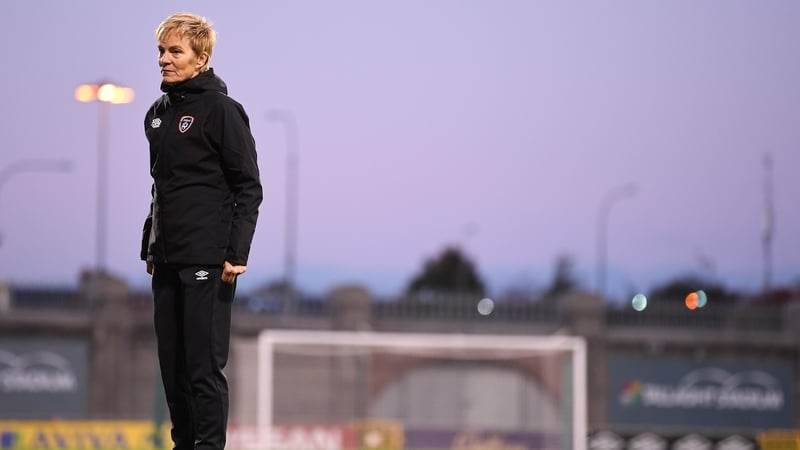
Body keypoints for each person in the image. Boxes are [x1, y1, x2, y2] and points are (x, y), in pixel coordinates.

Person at [140, 12, 262, 450]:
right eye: (161, 51)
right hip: (167, 260)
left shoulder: (223, 111)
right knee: (172, 370)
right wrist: (150, 247)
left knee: (202, 370)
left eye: (175, 51)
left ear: (201, 57)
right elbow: (161, 186)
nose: (164, 60)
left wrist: (236, 252)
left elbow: (248, 186)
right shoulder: (156, 115)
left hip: (210, 260)